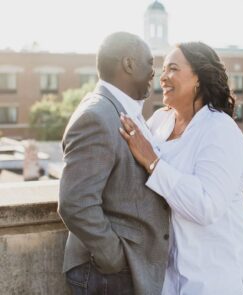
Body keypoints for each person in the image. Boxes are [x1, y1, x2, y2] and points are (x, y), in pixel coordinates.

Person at [119, 41, 243, 295]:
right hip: (171, 277)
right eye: (162, 69)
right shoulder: (161, 120)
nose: (163, 77)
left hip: (217, 278)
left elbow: (206, 206)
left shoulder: (220, 130)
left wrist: (153, 162)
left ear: (199, 77)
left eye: (172, 69)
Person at [58, 32, 170, 295]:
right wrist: (114, 258)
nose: (154, 72)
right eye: (149, 63)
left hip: (126, 270)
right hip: (108, 274)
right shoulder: (97, 116)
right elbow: (75, 202)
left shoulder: (122, 109)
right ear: (129, 64)